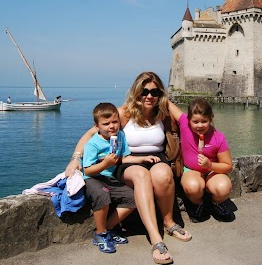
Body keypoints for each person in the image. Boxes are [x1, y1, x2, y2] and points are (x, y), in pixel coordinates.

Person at [65, 72, 192, 264]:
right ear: (136, 92)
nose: (149, 96)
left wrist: (165, 101)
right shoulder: (124, 113)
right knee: (141, 175)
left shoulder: (161, 110)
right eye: (144, 91)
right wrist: (75, 158)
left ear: (160, 94)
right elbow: (91, 133)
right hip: (127, 160)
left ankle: (169, 223)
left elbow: (186, 121)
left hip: (156, 157)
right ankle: (155, 238)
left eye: (155, 92)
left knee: (164, 174)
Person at [168, 97, 234, 223]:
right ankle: (197, 204)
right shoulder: (184, 124)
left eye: (204, 121)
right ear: (188, 120)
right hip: (191, 169)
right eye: (195, 121)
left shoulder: (218, 137)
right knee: (193, 187)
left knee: (223, 188)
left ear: (211, 119)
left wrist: (209, 165)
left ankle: (216, 204)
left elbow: (228, 166)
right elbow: (168, 104)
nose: (199, 125)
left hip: (212, 171)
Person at [83, 103, 136, 253]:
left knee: (133, 197)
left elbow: (125, 157)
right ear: (97, 126)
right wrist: (105, 163)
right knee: (102, 194)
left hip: (109, 178)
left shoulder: (120, 136)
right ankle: (100, 233)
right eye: (105, 124)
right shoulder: (93, 144)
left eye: (115, 122)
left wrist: (145, 158)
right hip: (92, 178)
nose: (111, 126)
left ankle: (109, 227)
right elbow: (87, 170)